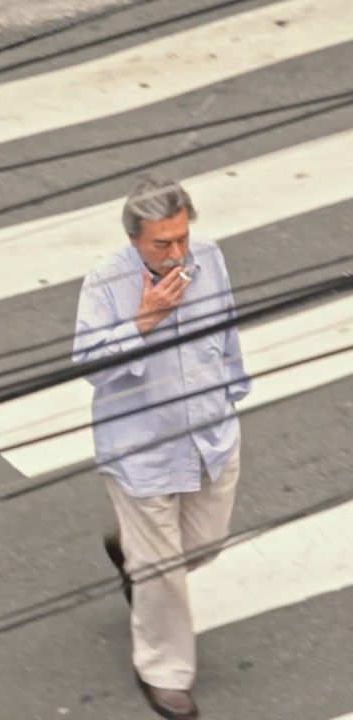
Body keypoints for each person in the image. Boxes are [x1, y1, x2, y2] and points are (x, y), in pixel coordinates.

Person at [72, 177, 252, 719]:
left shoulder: (209, 259)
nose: (175, 253)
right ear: (134, 240)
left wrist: (233, 389)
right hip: (142, 450)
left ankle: (132, 555)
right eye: (161, 244)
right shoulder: (106, 282)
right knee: (165, 571)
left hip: (210, 434)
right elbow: (88, 365)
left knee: (204, 544)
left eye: (180, 239)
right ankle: (164, 671)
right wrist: (142, 323)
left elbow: (226, 328)